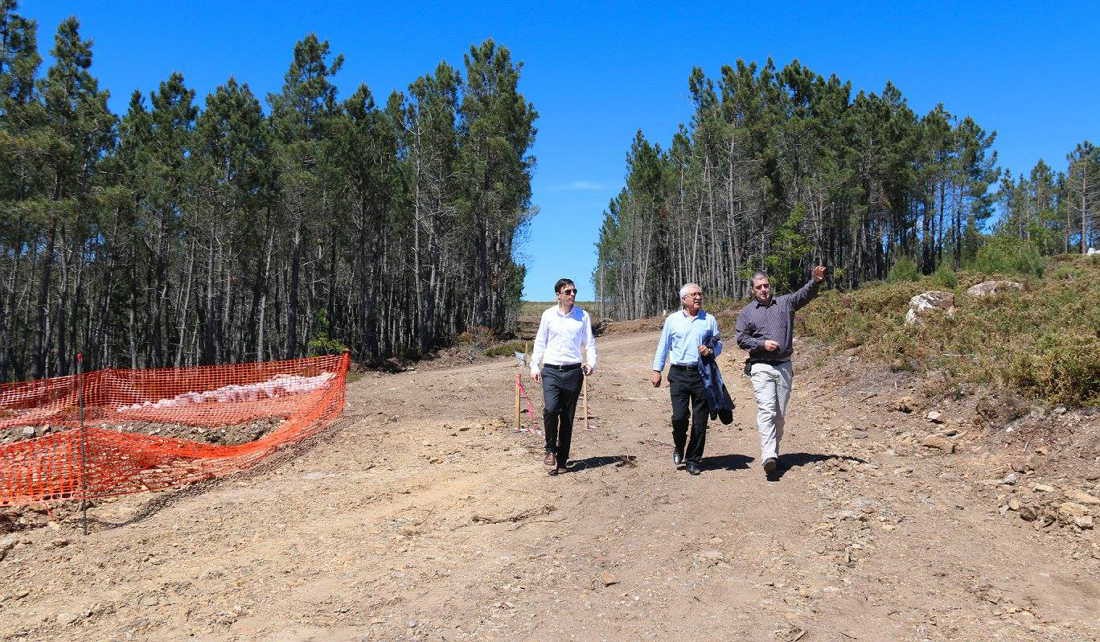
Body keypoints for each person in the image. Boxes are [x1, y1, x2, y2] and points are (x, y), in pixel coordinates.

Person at [736, 266, 826, 481]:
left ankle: (773, 452)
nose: (764, 290)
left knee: (779, 415)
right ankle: (768, 456)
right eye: (759, 287)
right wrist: (761, 344)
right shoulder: (747, 312)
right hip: (761, 366)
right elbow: (741, 339)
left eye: (766, 285)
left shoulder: (785, 303)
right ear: (752, 290)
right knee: (766, 409)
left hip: (784, 365)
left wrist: (815, 281)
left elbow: (803, 295)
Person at [650, 283, 722, 476]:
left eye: (700, 294)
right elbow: (663, 346)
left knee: (700, 421)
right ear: (684, 299)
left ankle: (693, 459)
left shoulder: (709, 320)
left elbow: (719, 344)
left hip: (702, 374)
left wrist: (711, 350)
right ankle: (679, 445)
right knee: (679, 417)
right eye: (694, 294)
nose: (698, 297)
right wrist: (657, 370)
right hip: (679, 374)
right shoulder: (672, 320)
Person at [530, 278, 597, 476]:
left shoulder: (582, 316)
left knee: (567, 417)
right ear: (558, 295)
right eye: (568, 292)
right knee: (551, 409)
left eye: (574, 291)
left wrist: (591, 363)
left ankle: (562, 459)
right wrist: (535, 365)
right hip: (551, 370)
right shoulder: (548, 315)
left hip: (573, 371)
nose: (572, 295)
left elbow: (590, 343)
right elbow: (540, 342)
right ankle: (550, 449)